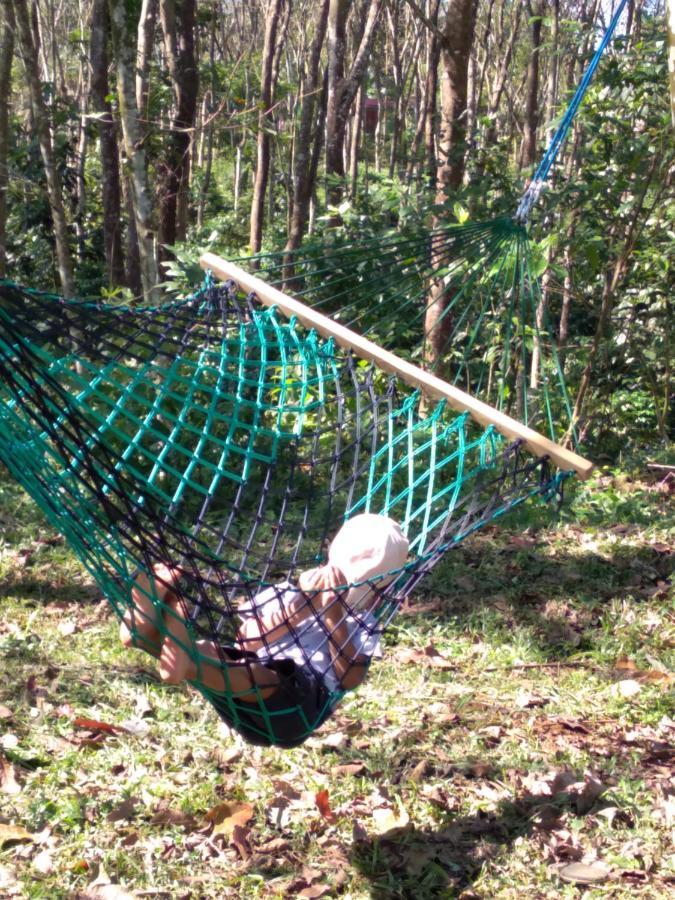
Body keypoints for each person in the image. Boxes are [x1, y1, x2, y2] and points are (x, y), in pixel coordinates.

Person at [119, 514, 409, 746]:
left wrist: (333, 615)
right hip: (240, 694)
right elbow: (248, 638)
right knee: (216, 654)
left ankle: (162, 622)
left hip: (300, 705)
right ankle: (159, 640)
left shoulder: (362, 624)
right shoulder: (288, 594)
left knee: (263, 677)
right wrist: (302, 606)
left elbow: (350, 678)